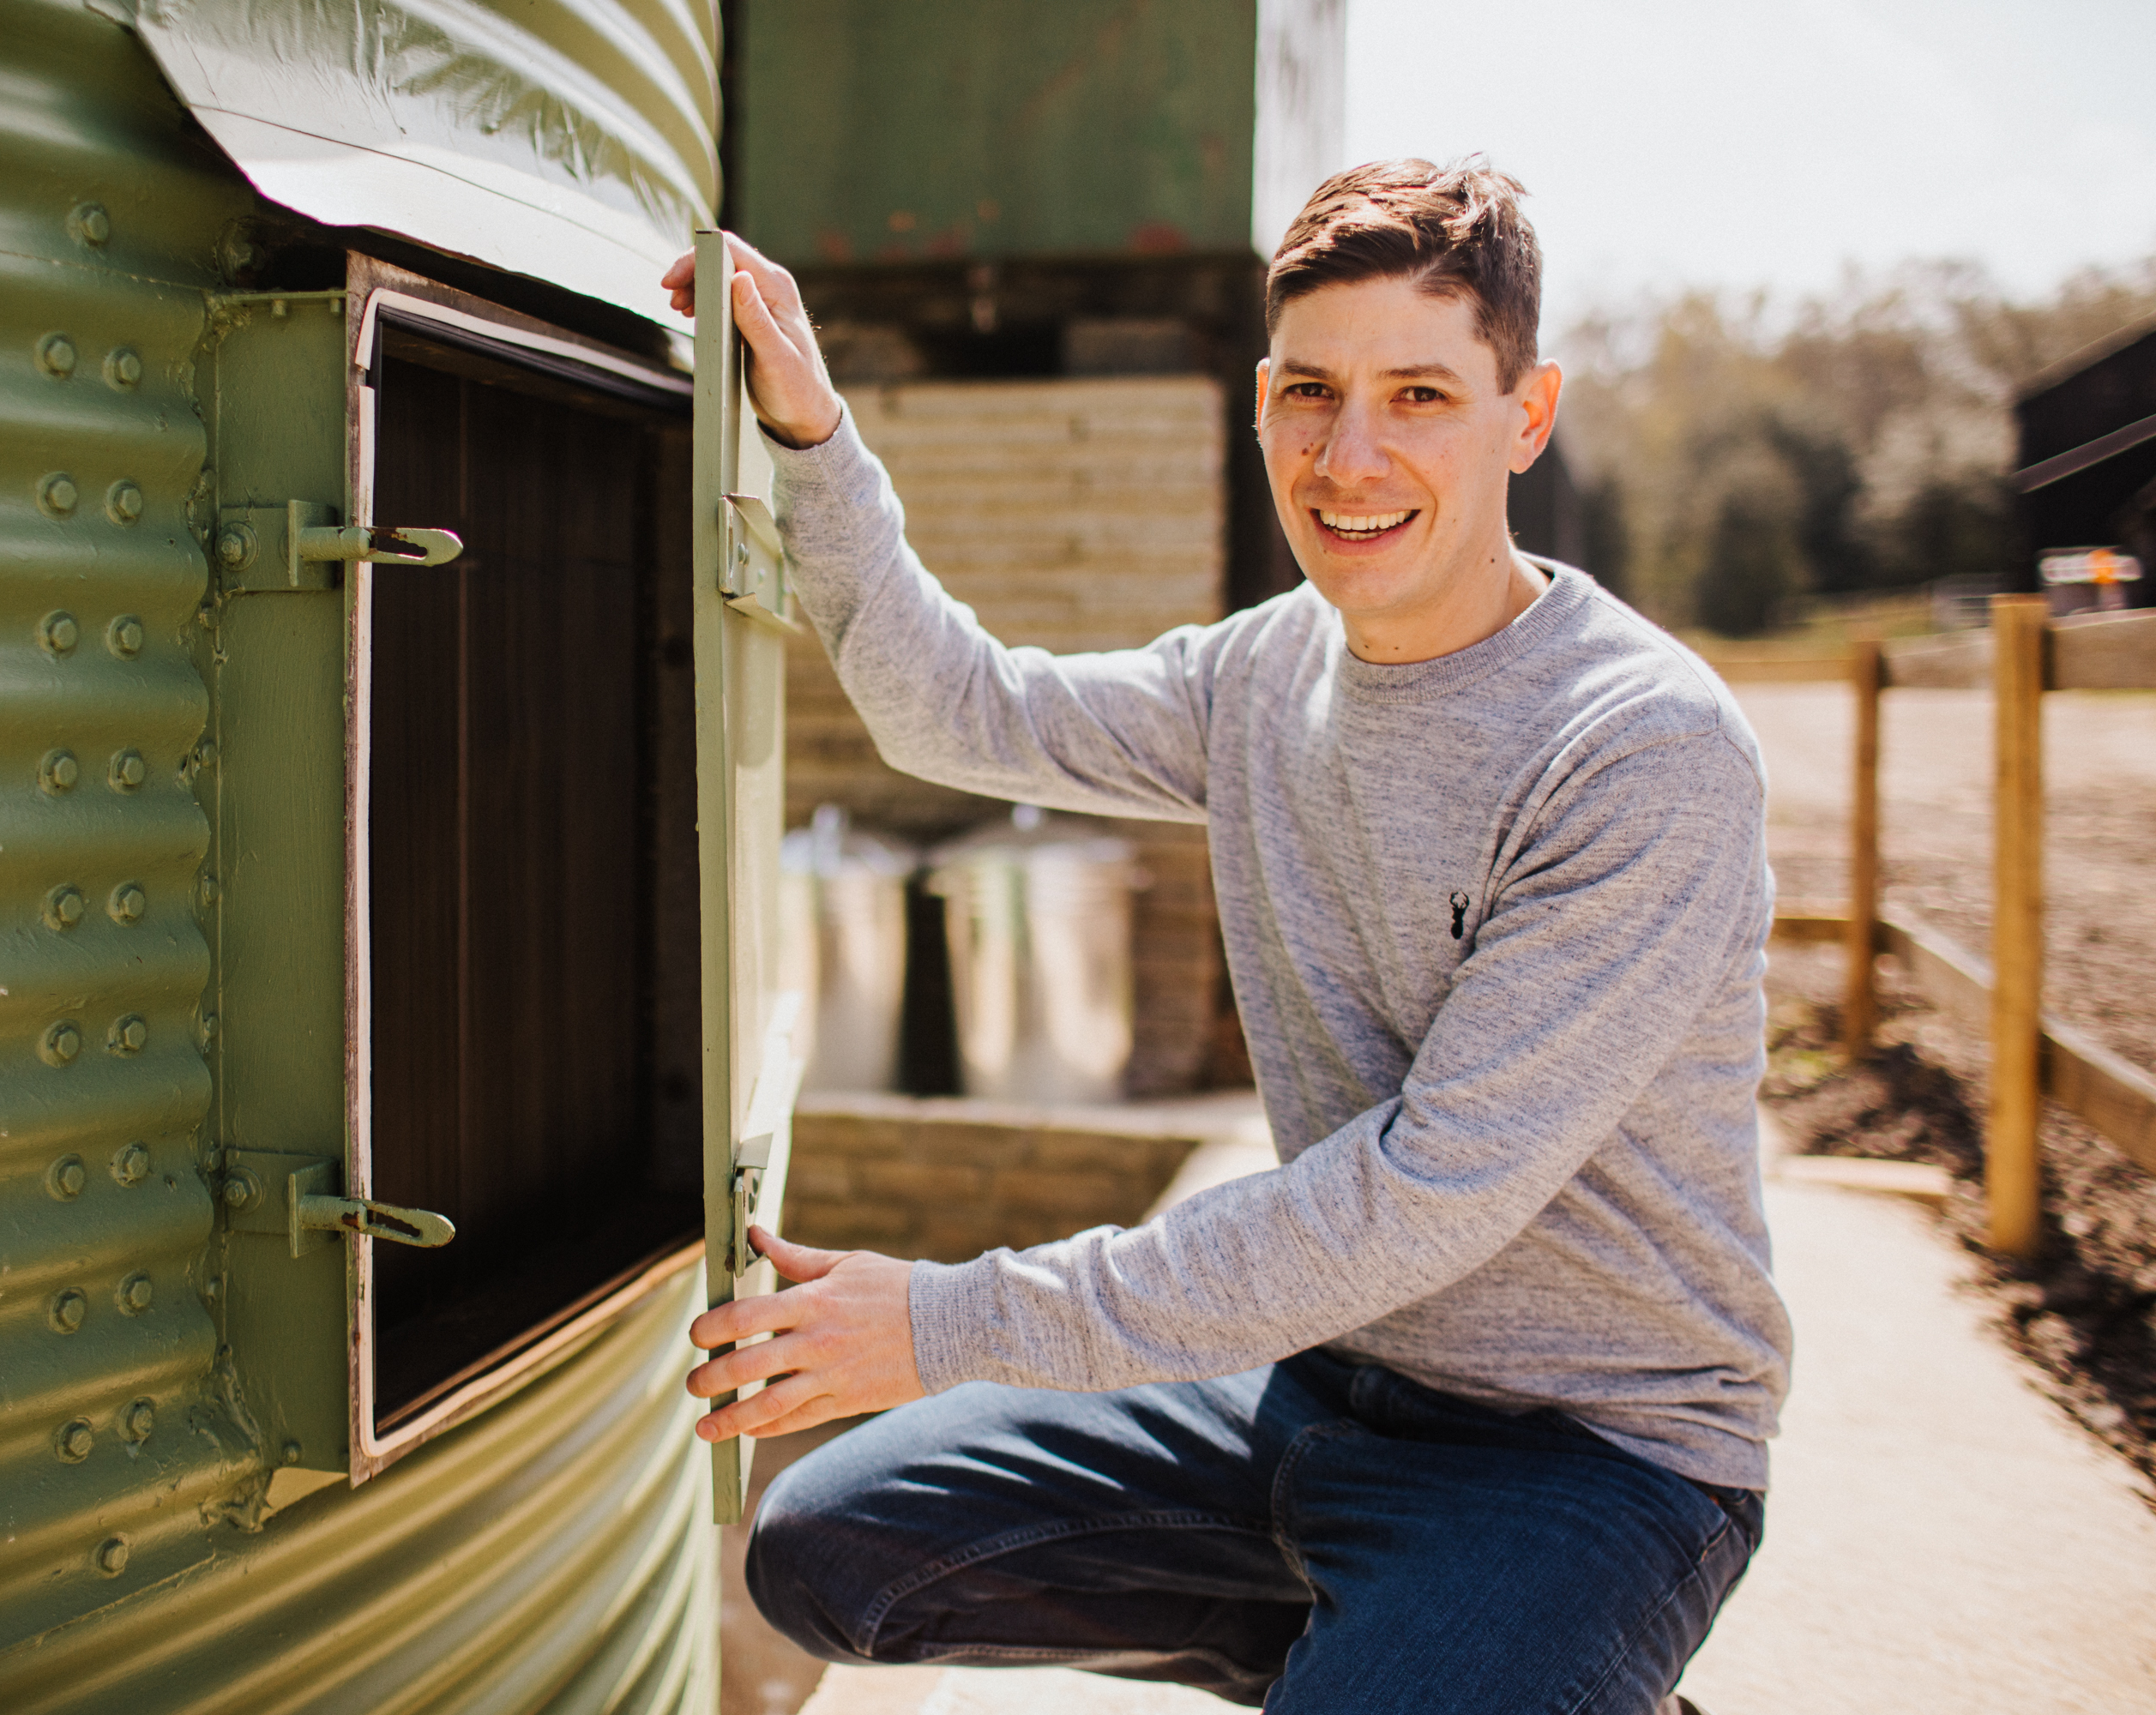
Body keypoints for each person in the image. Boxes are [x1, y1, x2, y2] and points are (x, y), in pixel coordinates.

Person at [668, 158, 1788, 1715]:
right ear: (1260, 405)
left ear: (1525, 418)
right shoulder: (1262, 678)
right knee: (829, 1550)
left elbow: (1417, 1200)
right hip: (1322, 1380)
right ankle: (1412, 1659)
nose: (1353, 454)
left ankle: (1502, 1652)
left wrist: (944, 1319)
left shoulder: (1637, 750)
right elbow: (957, 709)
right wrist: (812, 434)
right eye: (1314, 394)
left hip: (1589, 1451)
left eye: (1421, 396)